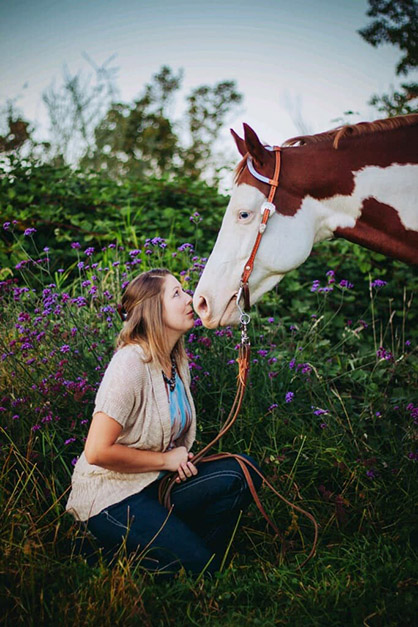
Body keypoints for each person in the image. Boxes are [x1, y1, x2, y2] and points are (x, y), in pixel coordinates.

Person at [66, 268, 261, 575]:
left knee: (244, 470)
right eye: (177, 294)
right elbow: (97, 452)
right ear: (152, 311)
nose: (189, 298)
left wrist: (174, 460)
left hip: (155, 485)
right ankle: (100, 554)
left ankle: (182, 548)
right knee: (202, 569)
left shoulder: (175, 360)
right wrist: (166, 459)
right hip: (110, 498)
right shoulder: (129, 364)